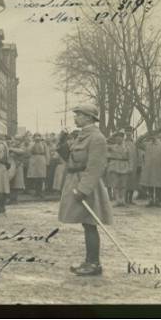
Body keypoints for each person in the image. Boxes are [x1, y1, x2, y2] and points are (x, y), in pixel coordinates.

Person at [58, 104, 113, 276]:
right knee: (86, 223)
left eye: (79, 115)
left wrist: (83, 189)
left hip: (88, 186)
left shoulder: (96, 138)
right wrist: (62, 144)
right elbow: (73, 159)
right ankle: (89, 261)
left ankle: (94, 264)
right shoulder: (82, 136)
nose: (75, 118)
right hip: (77, 180)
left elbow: (96, 167)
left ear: (89, 118)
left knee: (90, 224)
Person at [138, 130, 161, 207]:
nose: (153, 137)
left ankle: (158, 200)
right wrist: (144, 135)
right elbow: (137, 143)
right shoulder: (147, 144)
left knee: (158, 185)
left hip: (158, 168)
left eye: (155, 135)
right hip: (148, 168)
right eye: (152, 135)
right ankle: (151, 199)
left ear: (158, 136)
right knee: (150, 185)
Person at [106, 131, 132, 207]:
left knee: (123, 184)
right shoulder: (112, 147)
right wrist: (111, 136)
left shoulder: (127, 147)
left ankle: (122, 200)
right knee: (115, 184)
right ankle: (117, 200)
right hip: (114, 165)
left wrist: (130, 167)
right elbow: (104, 143)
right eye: (117, 138)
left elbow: (130, 158)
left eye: (120, 138)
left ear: (123, 139)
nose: (118, 140)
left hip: (124, 165)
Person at [27, 133, 49, 198]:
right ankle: (37, 192)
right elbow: (28, 150)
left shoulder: (43, 144)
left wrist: (47, 161)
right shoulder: (32, 143)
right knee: (35, 177)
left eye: (38, 136)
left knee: (41, 176)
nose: (37, 138)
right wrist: (33, 143)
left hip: (41, 159)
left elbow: (47, 152)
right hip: (34, 159)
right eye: (36, 136)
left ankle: (40, 192)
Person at [123, 126, 139, 204]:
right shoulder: (123, 142)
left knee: (132, 182)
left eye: (130, 131)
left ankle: (130, 199)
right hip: (125, 165)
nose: (128, 133)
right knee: (125, 182)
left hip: (134, 164)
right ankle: (125, 199)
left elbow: (137, 154)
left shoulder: (135, 142)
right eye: (127, 131)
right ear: (125, 133)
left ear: (132, 133)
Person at [8, 137, 27, 204]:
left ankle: (14, 199)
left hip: (18, 166)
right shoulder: (13, 146)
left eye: (17, 140)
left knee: (16, 184)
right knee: (12, 184)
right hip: (12, 166)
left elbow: (21, 151)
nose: (15, 141)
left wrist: (11, 149)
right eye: (15, 140)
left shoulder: (21, 146)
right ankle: (12, 199)